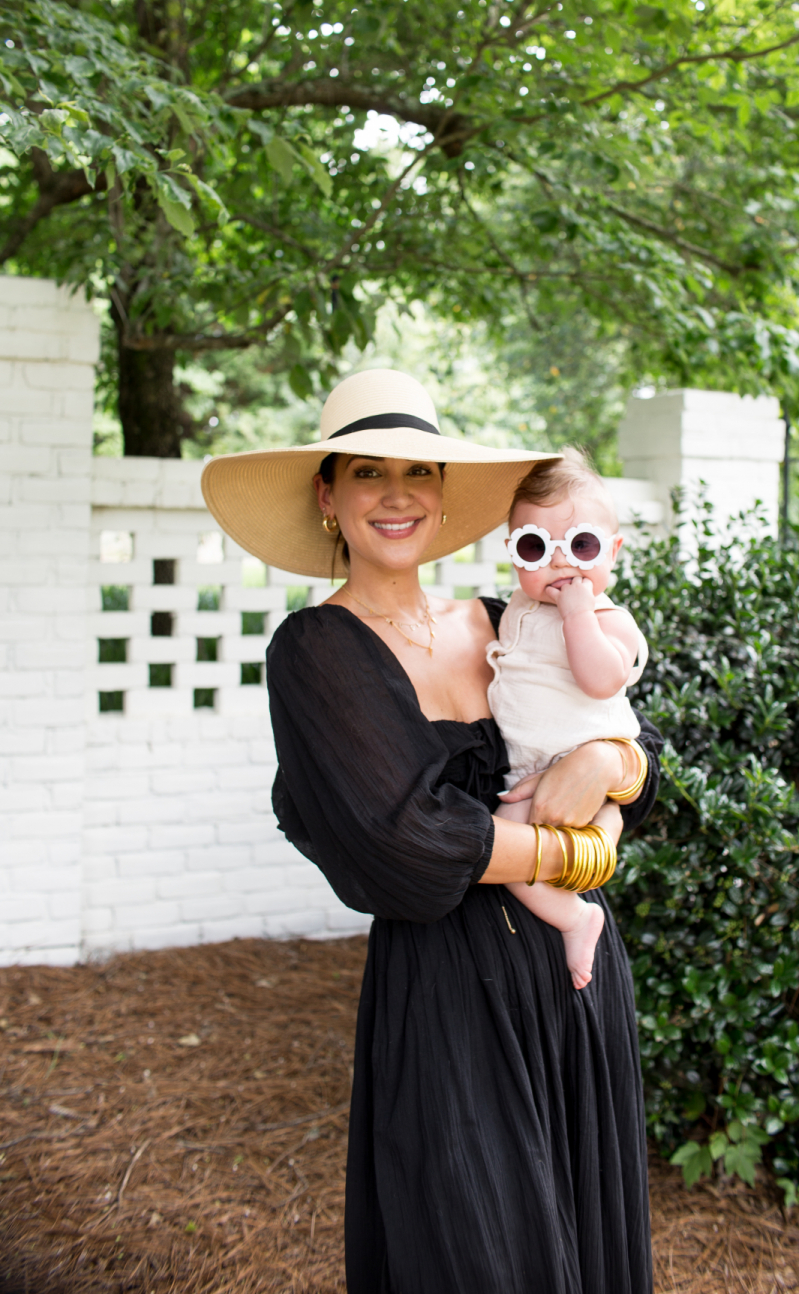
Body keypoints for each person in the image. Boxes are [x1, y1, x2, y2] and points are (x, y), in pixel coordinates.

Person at [201, 368, 663, 1294]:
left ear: (445, 493)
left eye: (418, 470)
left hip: (574, 986)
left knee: (587, 1244)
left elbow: (639, 752)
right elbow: (403, 840)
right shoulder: (316, 652)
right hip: (449, 993)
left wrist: (611, 768)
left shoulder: (507, 618)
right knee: (479, 1252)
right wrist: (579, 848)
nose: (398, 493)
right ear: (329, 498)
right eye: (369, 472)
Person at [489, 450, 648, 990]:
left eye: (582, 545)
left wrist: (580, 614)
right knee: (510, 843)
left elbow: (601, 680)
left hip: (576, 766)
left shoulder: (611, 622)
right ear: (513, 555)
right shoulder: (515, 610)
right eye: (536, 547)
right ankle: (569, 914)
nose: (562, 563)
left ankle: (577, 918)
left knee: (508, 844)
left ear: (613, 552)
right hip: (529, 771)